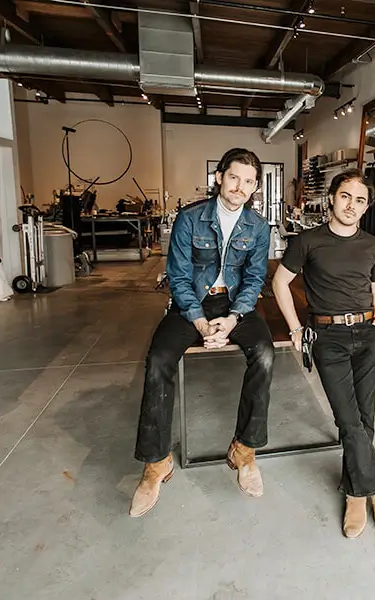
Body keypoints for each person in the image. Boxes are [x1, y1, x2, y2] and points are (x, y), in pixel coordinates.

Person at [130, 148, 274, 517]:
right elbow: (177, 276)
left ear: (256, 186)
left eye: (248, 181)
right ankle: (156, 462)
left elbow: (255, 278)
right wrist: (198, 320)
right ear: (219, 178)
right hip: (191, 303)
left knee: (265, 355)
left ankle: (245, 450)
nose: (240, 187)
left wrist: (233, 319)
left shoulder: (258, 227)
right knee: (159, 358)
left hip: (236, 307)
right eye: (234, 177)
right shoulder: (190, 218)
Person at [272, 169, 375, 543]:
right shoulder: (308, 241)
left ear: (366, 206)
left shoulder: (373, 245)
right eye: (345, 196)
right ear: (331, 197)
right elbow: (280, 282)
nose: (351, 205)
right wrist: (296, 328)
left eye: (360, 200)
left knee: (365, 418)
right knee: (348, 420)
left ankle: (355, 493)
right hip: (327, 336)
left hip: (367, 334)